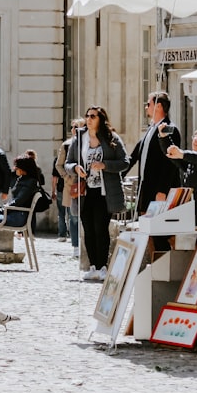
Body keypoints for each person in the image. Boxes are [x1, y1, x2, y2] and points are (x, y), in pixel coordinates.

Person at [65, 106, 129, 281]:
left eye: (93, 116)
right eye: (87, 116)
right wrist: (75, 168)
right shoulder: (79, 138)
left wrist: (105, 165)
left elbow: (125, 162)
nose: (89, 119)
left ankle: (103, 266)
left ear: (101, 118)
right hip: (85, 191)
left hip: (104, 192)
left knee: (101, 229)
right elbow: (67, 163)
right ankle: (92, 266)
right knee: (88, 230)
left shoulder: (111, 138)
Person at [126, 91, 182, 251]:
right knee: (147, 230)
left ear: (158, 106)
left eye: (148, 104)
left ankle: (162, 263)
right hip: (146, 188)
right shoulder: (151, 129)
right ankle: (154, 263)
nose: (146, 107)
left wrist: (162, 190)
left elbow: (170, 162)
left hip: (159, 191)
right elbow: (135, 156)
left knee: (159, 232)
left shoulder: (170, 129)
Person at [0, 154, 41, 238]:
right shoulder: (24, 180)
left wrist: (0, 211)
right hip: (15, 214)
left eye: (16, 167)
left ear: (23, 168)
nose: (14, 169)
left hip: (17, 217)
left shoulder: (30, 182)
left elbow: (17, 202)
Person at [54, 118, 85, 251]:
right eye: (73, 127)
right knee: (73, 216)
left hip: (87, 183)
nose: (75, 130)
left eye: (78, 127)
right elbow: (58, 165)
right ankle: (75, 246)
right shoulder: (66, 145)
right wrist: (67, 177)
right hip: (72, 185)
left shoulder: (90, 143)